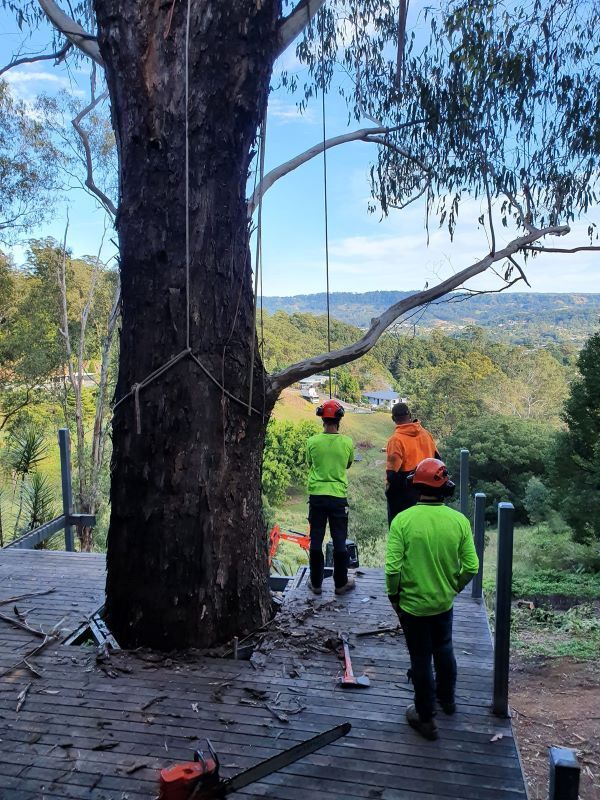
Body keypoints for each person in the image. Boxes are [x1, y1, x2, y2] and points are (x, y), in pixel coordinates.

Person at [385, 458, 479, 741]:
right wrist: (453, 588)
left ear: (417, 487)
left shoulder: (403, 520)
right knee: (445, 649)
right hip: (443, 603)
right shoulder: (459, 521)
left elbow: (392, 568)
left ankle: (425, 717)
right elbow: (471, 566)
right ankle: (448, 701)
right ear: (444, 488)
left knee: (421, 658)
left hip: (413, 606)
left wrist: (394, 596)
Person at [305, 398, 355, 596]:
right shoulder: (347, 442)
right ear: (339, 420)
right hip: (337, 498)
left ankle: (316, 584)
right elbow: (348, 464)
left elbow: (310, 463)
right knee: (340, 540)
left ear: (322, 420)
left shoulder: (312, 442)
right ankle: (340, 584)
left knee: (316, 539)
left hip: (317, 496)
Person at [385, 402, 439, 526]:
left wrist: (390, 495)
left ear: (393, 419)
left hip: (405, 495)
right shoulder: (426, 434)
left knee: (400, 531)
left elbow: (392, 475)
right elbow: (437, 460)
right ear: (410, 415)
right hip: (428, 494)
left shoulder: (396, 440)